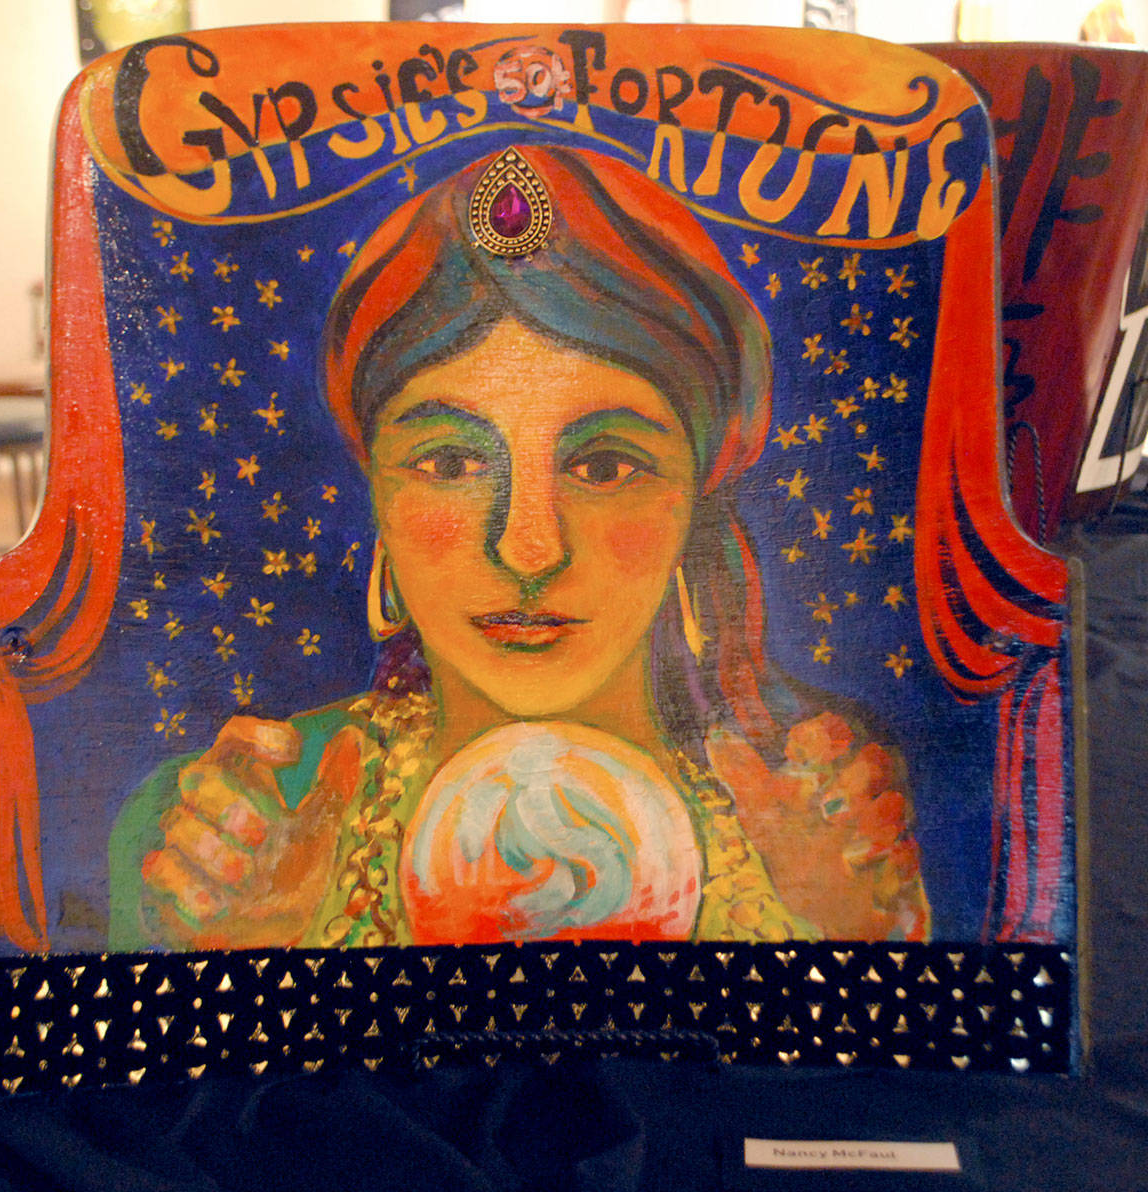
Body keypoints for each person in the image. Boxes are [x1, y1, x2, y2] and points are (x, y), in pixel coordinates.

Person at [109, 145, 929, 953]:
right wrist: (237, 962)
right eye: (451, 464)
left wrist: (859, 945)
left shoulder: (821, 825)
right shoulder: (232, 832)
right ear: (379, 498)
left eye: (605, 467)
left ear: (694, 508)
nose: (529, 549)